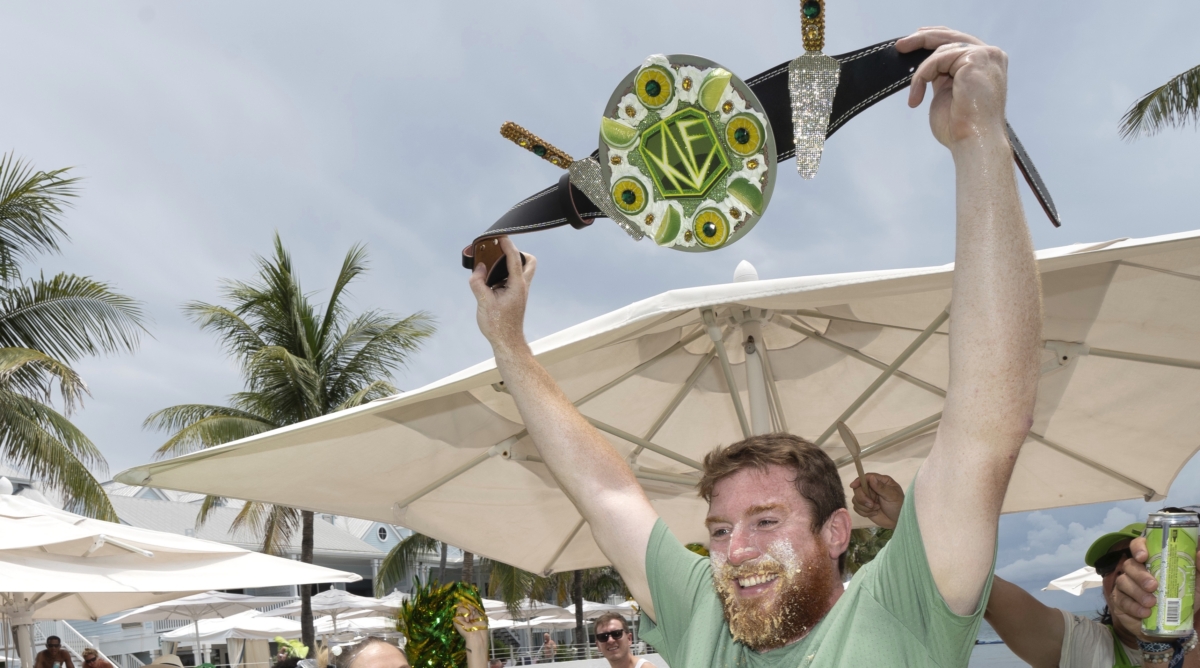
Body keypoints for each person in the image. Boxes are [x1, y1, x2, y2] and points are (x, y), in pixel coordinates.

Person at [470, 25, 1042, 667]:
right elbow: (607, 495)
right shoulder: (702, 619)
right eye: (719, 530)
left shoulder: (900, 612)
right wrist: (509, 344)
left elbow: (987, 423)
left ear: (835, 532)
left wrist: (978, 140)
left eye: (766, 521)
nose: (736, 551)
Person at [851, 473, 1200, 667]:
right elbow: (982, 588)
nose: (1123, 571)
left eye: (1141, 559)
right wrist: (908, 522)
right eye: (1110, 563)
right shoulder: (1084, 645)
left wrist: (1173, 636)